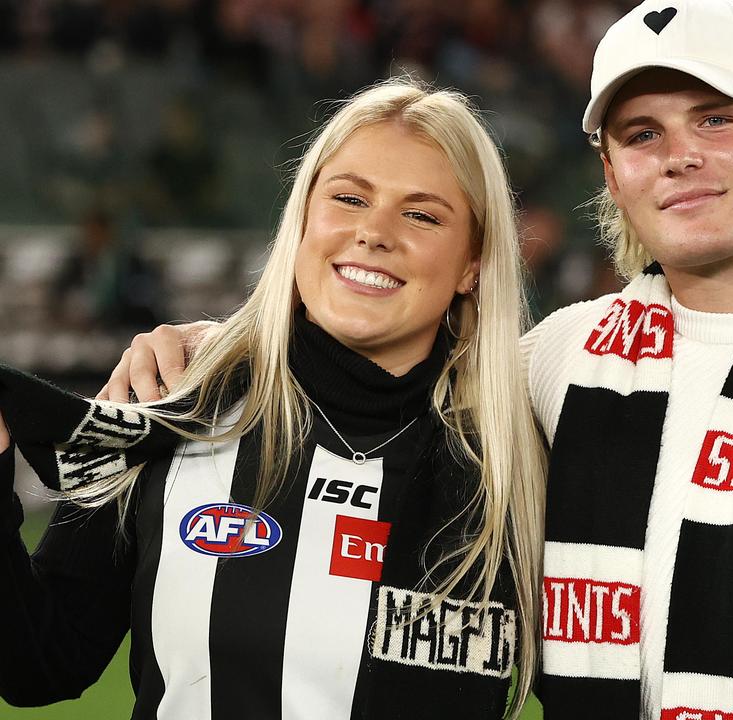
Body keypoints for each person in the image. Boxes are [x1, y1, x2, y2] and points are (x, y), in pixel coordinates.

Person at [103, 1, 733, 718]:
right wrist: (213, 346)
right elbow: (369, 361)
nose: (679, 154)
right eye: (642, 132)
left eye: (716, 120)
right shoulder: (556, 365)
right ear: (611, 171)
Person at [0, 79, 544, 719]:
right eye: (348, 198)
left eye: (421, 214)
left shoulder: (522, 464)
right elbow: (36, 662)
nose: (373, 233)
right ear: (304, 219)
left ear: (472, 265)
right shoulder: (172, 403)